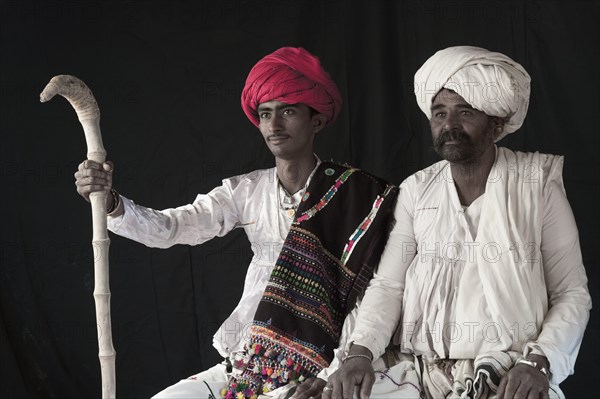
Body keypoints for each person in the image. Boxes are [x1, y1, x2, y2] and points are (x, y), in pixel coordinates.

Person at [74, 47, 397, 399]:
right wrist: (111, 203)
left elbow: (370, 294)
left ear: (316, 120)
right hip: (248, 355)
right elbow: (172, 229)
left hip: (324, 363)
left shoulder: (357, 195)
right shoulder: (244, 191)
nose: (274, 126)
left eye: (288, 112)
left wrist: (333, 371)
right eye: (265, 114)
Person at [323, 46, 592, 399]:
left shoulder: (537, 186)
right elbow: (389, 286)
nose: (449, 125)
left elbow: (571, 293)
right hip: (417, 369)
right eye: (439, 113)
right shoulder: (417, 190)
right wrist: (360, 353)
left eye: (464, 112)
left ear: (495, 123)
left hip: (509, 372)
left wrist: (541, 362)